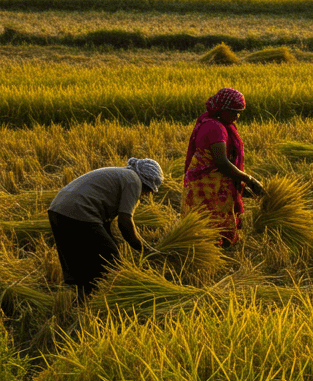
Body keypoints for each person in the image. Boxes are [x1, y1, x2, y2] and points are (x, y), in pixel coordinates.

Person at [47, 158, 164, 299]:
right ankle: (107, 298)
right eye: (149, 190)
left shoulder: (122, 174)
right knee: (110, 260)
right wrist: (143, 249)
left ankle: (84, 299)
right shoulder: (134, 181)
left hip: (58, 210)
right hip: (79, 212)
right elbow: (125, 222)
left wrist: (115, 243)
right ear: (146, 182)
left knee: (83, 257)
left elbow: (105, 225)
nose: (147, 194)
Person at [183, 87, 263, 246]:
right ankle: (209, 255)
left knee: (209, 224)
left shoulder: (218, 124)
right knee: (211, 224)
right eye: (234, 111)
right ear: (223, 109)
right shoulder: (215, 128)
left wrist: (238, 184)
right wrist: (248, 179)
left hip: (209, 184)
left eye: (239, 112)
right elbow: (221, 162)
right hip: (208, 186)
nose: (237, 116)